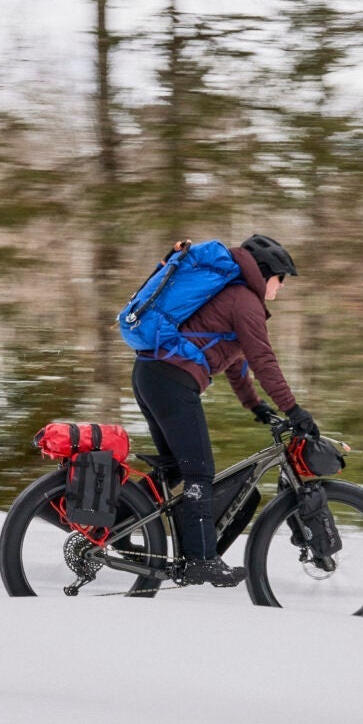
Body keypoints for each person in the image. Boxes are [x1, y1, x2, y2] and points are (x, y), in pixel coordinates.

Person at [130, 233, 317, 588]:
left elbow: (236, 362)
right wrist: (292, 409)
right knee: (198, 471)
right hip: (171, 379)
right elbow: (263, 359)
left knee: (173, 470)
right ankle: (201, 560)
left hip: (151, 374)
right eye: (281, 279)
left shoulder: (233, 297)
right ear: (266, 273)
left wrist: (255, 404)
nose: (281, 287)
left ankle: (118, 525)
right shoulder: (245, 301)